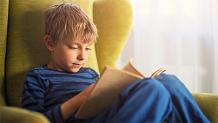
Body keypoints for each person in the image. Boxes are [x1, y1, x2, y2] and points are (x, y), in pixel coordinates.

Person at [22, 3, 210, 123]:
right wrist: (80, 99)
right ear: (50, 43)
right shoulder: (37, 77)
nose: (82, 56)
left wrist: (131, 86)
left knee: (168, 81)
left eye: (87, 49)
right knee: (155, 90)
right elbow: (34, 120)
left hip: (112, 116)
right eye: (74, 47)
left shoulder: (90, 74)